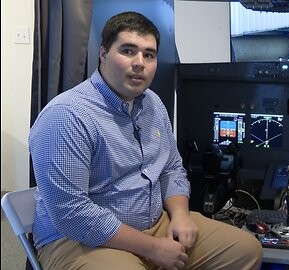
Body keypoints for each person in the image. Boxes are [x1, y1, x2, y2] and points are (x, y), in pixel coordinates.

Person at [29, 11, 263, 270]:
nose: (139, 62)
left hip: (153, 224)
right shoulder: (66, 115)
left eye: (148, 55)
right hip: (78, 240)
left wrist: (181, 215)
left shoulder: (152, 104)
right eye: (128, 51)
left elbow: (171, 168)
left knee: (246, 250)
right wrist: (152, 248)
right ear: (103, 54)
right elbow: (72, 214)